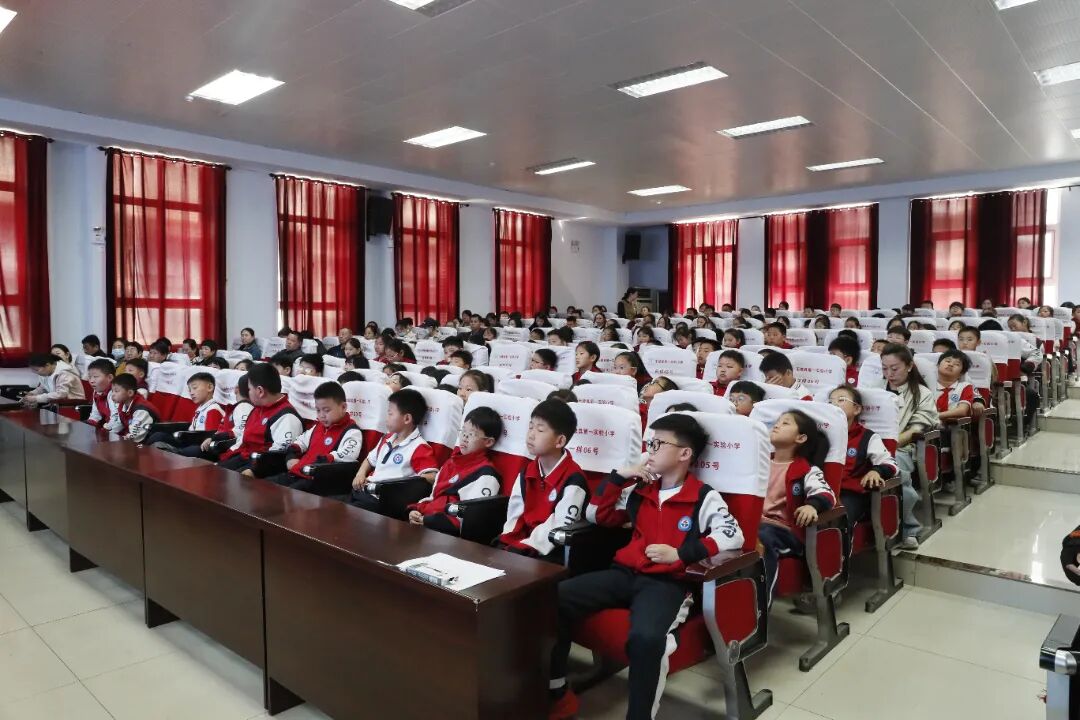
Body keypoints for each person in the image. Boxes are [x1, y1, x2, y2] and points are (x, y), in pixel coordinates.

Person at [547, 413, 742, 720]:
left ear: (684, 453)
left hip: (666, 583)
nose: (649, 450)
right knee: (552, 598)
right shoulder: (640, 491)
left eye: (658, 444)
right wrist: (620, 476)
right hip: (624, 574)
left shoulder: (703, 497)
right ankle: (556, 690)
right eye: (649, 442)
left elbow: (732, 535)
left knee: (646, 639)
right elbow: (597, 515)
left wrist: (680, 553)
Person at [758, 410, 836, 602]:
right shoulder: (760, 461)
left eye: (785, 423)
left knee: (762, 536)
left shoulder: (806, 470)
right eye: (777, 421)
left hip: (785, 532)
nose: (777, 425)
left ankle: (762, 606)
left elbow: (826, 494)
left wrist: (812, 506)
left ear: (800, 438)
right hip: (755, 523)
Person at [497, 399, 587, 560]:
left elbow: (559, 528)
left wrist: (523, 547)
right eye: (530, 427)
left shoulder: (574, 480)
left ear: (560, 441)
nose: (531, 435)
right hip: (523, 545)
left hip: (552, 550)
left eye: (540, 430)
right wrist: (508, 542)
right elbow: (515, 517)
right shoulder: (526, 472)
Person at [407, 407, 503, 534]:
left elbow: (471, 515)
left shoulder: (486, 475)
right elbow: (433, 498)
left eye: (471, 434)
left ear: (489, 442)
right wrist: (416, 511)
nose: (464, 437)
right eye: (463, 431)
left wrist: (429, 520)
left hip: (448, 533)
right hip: (427, 521)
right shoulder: (450, 463)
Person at [881, 344, 938, 550]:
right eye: (884, 368)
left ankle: (908, 528)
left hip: (902, 447)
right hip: (869, 444)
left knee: (896, 467)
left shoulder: (922, 393)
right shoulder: (874, 388)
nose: (889, 374)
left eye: (894, 368)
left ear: (909, 366)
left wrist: (890, 445)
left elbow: (916, 429)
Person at [265, 382, 364, 493]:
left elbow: (348, 455)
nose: (321, 415)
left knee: (283, 494)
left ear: (343, 407)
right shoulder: (317, 427)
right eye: (318, 410)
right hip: (297, 473)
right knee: (264, 486)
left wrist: (319, 461)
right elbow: (300, 442)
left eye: (326, 410)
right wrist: (291, 455)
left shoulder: (351, 431)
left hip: (319, 480)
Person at [349, 389, 438, 512]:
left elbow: (432, 476)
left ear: (407, 418)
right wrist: (360, 474)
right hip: (365, 492)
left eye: (390, 414)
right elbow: (369, 460)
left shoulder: (419, 447)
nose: (386, 418)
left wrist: (400, 484)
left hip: (384, 500)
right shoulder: (386, 438)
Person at [829, 386, 898, 530]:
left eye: (841, 400)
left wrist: (876, 471)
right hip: (821, 492)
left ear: (857, 409)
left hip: (850, 494)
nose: (833, 404)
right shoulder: (820, 435)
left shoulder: (867, 437)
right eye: (830, 401)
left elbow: (889, 463)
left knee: (837, 517)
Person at [218, 363, 303, 473]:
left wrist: (254, 471)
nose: (248, 393)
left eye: (249, 389)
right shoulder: (258, 408)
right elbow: (243, 440)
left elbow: (278, 457)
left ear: (260, 391)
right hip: (244, 457)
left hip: (259, 467)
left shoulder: (287, 417)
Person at [147, 372, 225, 450]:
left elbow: (209, 436)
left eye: (194, 388)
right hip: (189, 441)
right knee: (158, 436)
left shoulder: (213, 409)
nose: (191, 393)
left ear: (210, 387)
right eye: (189, 390)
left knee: (191, 449)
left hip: (198, 445)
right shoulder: (202, 408)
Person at [190, 376, 253, 461]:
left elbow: (239, 435)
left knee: (188, 451)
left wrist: (213, 438)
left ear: (236, 389)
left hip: (223, 450)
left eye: (194, 388)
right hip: (220, 447)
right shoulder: (237, 407)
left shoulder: (244, 407)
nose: (191, 393)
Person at [105, 373, 160, 443]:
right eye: (112, 391)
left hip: (148, 442)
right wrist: (109, 434)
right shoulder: (123, 404)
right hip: (135, 441)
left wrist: (124, 439)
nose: (113, 394)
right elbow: (119, 424)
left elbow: (135, 435)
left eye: (116, 391)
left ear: (130, 393)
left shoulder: (141, 409)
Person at [85, 358, 117, 428]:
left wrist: (105, 430)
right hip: (108, 427)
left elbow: (116, 419)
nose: (91, 381)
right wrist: (87, 426)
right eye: (89, 377)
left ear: (110, 377)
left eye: (95, 377)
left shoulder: (116, 393)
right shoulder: (96, 392)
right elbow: (95, 415)